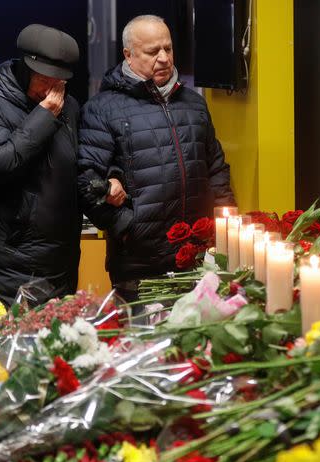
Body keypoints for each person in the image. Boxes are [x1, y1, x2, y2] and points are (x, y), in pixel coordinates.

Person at [78, 15, 235, 301]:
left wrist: (227, 226)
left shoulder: (195, 104)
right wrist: (129, 228)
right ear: (128, 54)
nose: (164, 58)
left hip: (199, 260)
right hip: (139, 267)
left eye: (168, 48)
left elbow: (215, 167)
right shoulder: (101, 109)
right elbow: (88, 182)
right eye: (153, 52)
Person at [0, 24, 81, 305]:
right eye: (45, 80)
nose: (53, 90)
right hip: (3, 270)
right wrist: (44, 116)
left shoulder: (70, 108)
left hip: (58, 268)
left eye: (60, 82)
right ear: (26, 70)